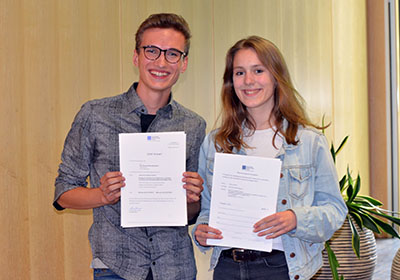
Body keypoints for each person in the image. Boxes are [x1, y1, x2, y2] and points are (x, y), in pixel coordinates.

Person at [53, 13, 206, 280]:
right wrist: (102, 195)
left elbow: (190, 213)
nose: (161, 62)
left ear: (183, 63)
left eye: (172, 54)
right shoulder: (95, 114)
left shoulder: (193, 125)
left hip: (176, 267)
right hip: (116, 267)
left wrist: (192, 199)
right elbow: (63, 192)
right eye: (152, 51)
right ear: (136, 57)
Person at [193, 36, 347, 280]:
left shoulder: (309, 142)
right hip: (227, 268)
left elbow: (335, 210)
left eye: (258, 70)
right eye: (239, 72)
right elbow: (206, 209)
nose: (249, 81)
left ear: (276, 77)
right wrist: (201, 232)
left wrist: (296, 218)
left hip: (281, 269)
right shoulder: (215, 143)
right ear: (231, 82)